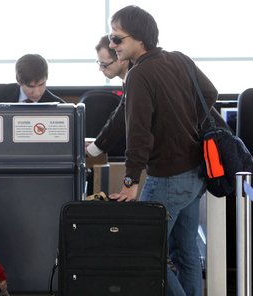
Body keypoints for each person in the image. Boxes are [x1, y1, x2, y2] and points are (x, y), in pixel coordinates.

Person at [106, 6, 218, 296]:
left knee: (144, 253)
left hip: (167, 178)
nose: (111, 45)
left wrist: (130, 182)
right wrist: (186, 123)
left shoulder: (139, 75)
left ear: (140, 39)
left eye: (117, 39)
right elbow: (210, 93)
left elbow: (138, 134)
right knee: (187, 253)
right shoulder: (179, 59)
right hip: (195, 174)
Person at [86, 35, 130, 157]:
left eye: (104, 64)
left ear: (121, 58)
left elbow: (120, 118)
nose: (100, 69)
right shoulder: (129, 79)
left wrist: (93, 149)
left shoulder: (136, 79)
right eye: (99, 63)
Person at [0, 53, 65, 104]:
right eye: (31, 86)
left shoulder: (60, 107)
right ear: (19, 81)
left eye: (41, 84)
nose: (37, 93)